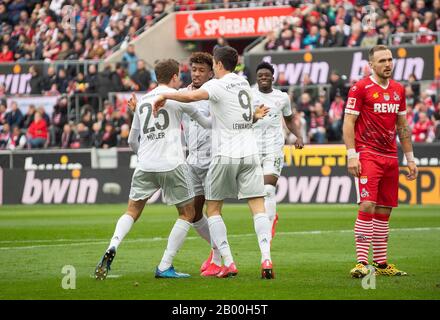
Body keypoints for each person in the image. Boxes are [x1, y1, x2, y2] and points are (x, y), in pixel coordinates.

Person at [153, 46, 275, 279]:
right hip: (246, 154)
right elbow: (241, 116)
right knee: (257, 208)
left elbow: (191, 99)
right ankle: (266, 257)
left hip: (222, 156)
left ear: (216, 66)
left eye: (204, 69)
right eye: (194, 70)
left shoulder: (215, 86)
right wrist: (254, 116)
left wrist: (164, 93)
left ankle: (225, 260)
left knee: (213, 210)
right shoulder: (244, 86)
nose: (197, 74)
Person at [95, 59, 213, 280]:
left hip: (145, 164)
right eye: (179, 76)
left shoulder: (142, 102)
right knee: (187, 213)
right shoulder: (178, 99)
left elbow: (132, 140)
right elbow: (207, 123)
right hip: (172, 164)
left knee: (132, 211)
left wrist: (145, 156)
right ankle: (164, 265)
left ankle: (113, 245)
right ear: (174, 77)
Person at [343, 45, 418, 278]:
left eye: (390, 59)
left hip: (390, 156)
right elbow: (348, 122)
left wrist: (410, 158)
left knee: (384, 211)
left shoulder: (398, 90)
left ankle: (381, 264)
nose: (388, 64)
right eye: (382, 60)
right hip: (367, 154)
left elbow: (402, 127)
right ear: (371, 65)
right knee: (367, 205)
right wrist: (352, 154)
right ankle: (361, 262)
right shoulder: (360, 88)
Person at [251, 62, 304, 241]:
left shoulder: (282, 97)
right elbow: (242, 121)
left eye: (267, 75)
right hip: (252, 148)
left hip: (273, 148)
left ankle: (270, 224)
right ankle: (268, 218)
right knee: (256, 192)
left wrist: (298, 136)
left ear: (273, 77)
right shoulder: (249, 95)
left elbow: (289, 119)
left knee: (268, 190)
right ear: (256, 78)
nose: (264, 77)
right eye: (260, 75)